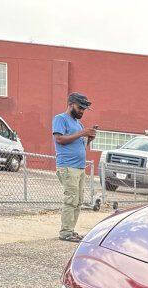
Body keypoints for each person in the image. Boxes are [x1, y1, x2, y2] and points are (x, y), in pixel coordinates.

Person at [52, 92, 96, 242]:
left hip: (79, 167)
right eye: (80, 108)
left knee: (78, 201)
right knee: (70, 200)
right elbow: (59, 139)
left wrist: (88, 139)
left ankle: (71, 230)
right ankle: (65, 233)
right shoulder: (60, 119)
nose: (82, 111)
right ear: (70, 105)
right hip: (67, 167)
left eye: (84, 109)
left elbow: (81, 146)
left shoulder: (79, 124)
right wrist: (82, 132)